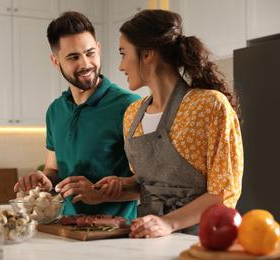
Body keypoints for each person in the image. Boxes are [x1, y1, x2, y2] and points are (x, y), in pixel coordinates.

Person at [95, 9, 243, 237]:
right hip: (146, 237)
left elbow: (223, 193)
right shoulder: (133, 114)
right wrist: (121, 186)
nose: (120, 66)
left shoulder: (209, 106)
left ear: (147, 55)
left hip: (202, 240)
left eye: (123, 54)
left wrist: (168, 223)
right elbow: (147, 184)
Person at [13, 11, 141, 221]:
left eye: (90, 53)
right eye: (73, 57)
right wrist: (44, 180)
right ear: (56, 62)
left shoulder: (129, 105)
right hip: (66, 228)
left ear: (98, 49)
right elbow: (53, 169)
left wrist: (99, 193)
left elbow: (146, 184)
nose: (86, 64)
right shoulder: (55, 111)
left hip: (116, 235)